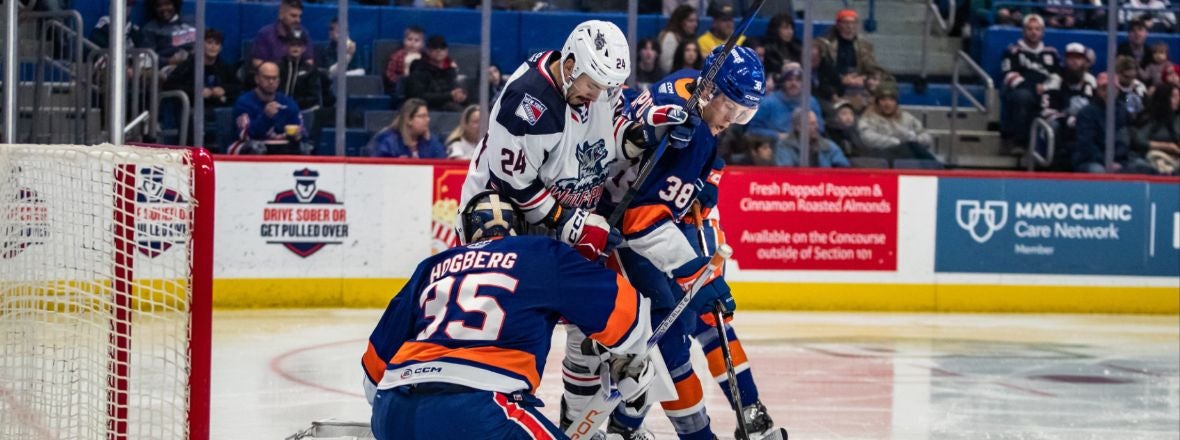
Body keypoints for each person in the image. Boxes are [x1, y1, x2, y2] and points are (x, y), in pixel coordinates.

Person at [594, 46, 786, 440]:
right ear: (711, 90)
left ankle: (744, 409)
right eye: (730, 106)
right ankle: (641, 427)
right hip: (620, 242)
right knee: (664, 337)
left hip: (610, 224)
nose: (733, 120)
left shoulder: (684, 83)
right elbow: (643, 222)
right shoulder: (697, 131)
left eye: (743, 112)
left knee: (665, 333)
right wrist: (696, 274)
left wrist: (703, 177)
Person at [363, 191, 655, 440]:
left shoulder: (431, 266)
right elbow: (630, 319)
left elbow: (373, 372)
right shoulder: (538, 252)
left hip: (393, 409)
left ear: (462, 232)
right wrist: (629, 359)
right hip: (481, 409)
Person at [459, 19, 678, 261]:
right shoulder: (529, 103)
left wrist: (651, 132)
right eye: (593, 85)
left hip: (558, 212)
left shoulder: (597, 89)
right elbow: (515, 186)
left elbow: (609, 138)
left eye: (605, 87)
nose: (596, 96)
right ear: (570, 66)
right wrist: (568, 222)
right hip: (505, 214)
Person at [162, 28, 240, 146]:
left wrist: (224, 89)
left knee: (229, 113)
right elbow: (169, 84)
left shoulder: (223, 66)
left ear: (221, 48)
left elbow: (237, 86)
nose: (213, 47)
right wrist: (197, 92)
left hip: (215, 107)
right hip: (191, 107)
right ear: (201, 45)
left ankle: (226, 151)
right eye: (209, 42)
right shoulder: (189, 64)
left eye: (217, 44)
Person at [1000, 14, 1060, 155]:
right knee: (1023, 97)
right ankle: (1019, 143)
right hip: (1021, 90)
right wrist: (1033, 87)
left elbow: (1057, 77)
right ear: (1023, 31)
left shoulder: (1051, 53)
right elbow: (1009, 76)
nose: (1034, 32)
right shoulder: (1013, 51)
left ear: (1042, 32)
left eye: (1037, 29)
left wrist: (1045, 88)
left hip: (1045, 91)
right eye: (1030, 29)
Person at [1072, 73, 1155, 173]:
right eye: (1104, 88)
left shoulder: (1123, 110)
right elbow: (1086, 145)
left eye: (1113, 88)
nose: (1108, 91)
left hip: (1121, 159)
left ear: (1118, 90)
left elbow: (1129, 138)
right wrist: (1106, 162)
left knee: (1145, 167)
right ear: (1097, 90)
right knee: (1098, 171)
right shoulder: (1086, 113)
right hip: (1092, 160)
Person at [229, 61, 309, 155]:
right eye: (267, 78)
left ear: (279, 81)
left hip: (281, 146)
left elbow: (303, 132)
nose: (271, 82)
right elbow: (245, 135)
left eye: (274, 78)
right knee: (255, 148)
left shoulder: (288, 103)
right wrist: (266, 117)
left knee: (306, 148)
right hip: (250, 145)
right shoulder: (244, 102)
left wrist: (298, 135)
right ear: (257, 79)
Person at [746, 64, 824, 155]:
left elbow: (820, 128)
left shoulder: (811, 102)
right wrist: (777, 135)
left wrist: (806, 134)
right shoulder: (768, 102)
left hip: (807, 149)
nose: (793, 83)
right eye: (789, 79)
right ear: (783, 82)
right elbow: (752, 130)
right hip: (774, 149)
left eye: (798, 80)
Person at [857, 82, 938, 164]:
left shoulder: (906, 117)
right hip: (882, 157)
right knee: (910, 148)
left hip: (908, 157)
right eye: (883, 100)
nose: (887, 104)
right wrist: (896, 142)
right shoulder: (868, 118)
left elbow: (927, 137)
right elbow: (867, 138)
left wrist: (915, 139)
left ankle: (938, 170)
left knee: (914, 147)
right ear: (877, 102)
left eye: (891, 100)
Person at [817, 9, 886, 104]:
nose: (850, 26)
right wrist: (841, 79)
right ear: (838, 25)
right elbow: (823, 70)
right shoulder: (825, 44)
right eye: (846, 23)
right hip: (833, 84)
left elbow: (872, 68)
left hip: (858, 84)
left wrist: (865, 78)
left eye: (853, 23)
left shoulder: (865, 45)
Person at [404, 35, 468, 112]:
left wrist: (460, 96)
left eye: (442, 48)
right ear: (427, 50)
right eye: (435, 47)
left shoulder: (450, 70)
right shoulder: (419, 69)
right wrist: (449, 96)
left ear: (447, 51)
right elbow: (418, 96)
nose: (439, 50)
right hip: (426, 108)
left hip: (448, 106)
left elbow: (454, 91)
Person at [366, 98, 446, 158]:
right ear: (408, 120)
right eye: (422, 116)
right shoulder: (388, 141)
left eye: (427, 116)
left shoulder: (430, 139)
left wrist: (430, 141)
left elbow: (441, 161)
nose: (428, 120)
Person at [776, 109, 850, 167]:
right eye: (811, 124)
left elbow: (844, 168)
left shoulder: (828, 146)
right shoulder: (785, 146)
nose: (816, 127)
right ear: (798, 127)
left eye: (816, 123)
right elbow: (786, 171)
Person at [1133, 84, 1180, 174]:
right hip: (1152, 158)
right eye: (1173, 97)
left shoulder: (1178, 118)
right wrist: (1166, 146)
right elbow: (1139, 139)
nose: (1178, 100)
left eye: (1178, 96)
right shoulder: (1151, 118)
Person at [251, 0, 313, 67]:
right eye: (293, 16)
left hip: (297, 76)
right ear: (281, 15)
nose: (298, 20)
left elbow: (309, 61)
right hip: (272, 76)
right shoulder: (265, 34)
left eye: (299, 16)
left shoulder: (303, 33)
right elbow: (257, 62)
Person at [141, 0, 196, 68]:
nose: (164, 8)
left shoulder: (192, 21)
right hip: (169, 66)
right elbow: (147, 58)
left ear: (175, 4)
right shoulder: (150, 28)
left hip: (196, 62)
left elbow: (208, 39)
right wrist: (169, 61)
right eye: (159, 6)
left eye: (167, 4)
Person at [278, 35, 325, 110]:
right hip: (280, 107)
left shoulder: (310, 69)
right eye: (292, 45)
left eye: (299, 45)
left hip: (303, 109)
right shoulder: (278, 67)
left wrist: (293, 104)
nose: (296, 48)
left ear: (304, 48)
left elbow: (314, 97)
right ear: (286, 46)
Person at [657, 5, 699, 74]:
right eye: (690, 21)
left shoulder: (690, 38)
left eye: (696, 21)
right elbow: (666, 67)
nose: (695, 25)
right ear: (680, 22)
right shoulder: (670, 37)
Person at [761, 12, 801, 79]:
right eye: (785, 28)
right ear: (776, 30)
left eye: (791, 28)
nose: (790, 31)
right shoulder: (768, 48)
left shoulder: (797, 46)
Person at [384, 26, 425, 91]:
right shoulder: (397, 56)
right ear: (404, 40)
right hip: (401, 86)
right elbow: (389, 73)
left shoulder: (425, 57)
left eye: (417, 40)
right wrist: (399, 81)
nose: (412, 43)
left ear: (422, 44)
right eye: (409, 39)